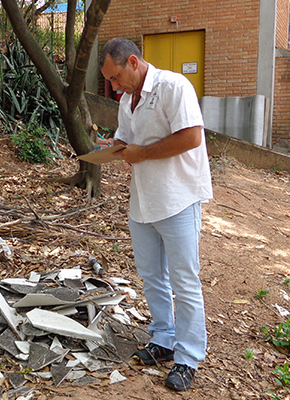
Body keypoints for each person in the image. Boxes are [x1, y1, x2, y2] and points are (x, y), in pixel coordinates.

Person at [99, 38, 213, 391]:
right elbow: (127, 141)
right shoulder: (126, 101)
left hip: (178, 199)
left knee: (184, 281)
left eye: (116, 77)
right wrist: (113, 149)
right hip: (143, 202)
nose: (114, 86)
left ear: (133, 62)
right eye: (109, 81)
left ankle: (188, 357)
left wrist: (142, 153)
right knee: (152, 277)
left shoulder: (173, 87)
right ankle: (163, 339)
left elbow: (192, 137)